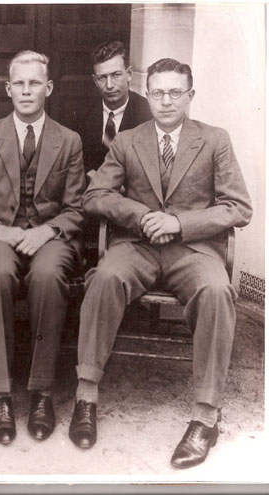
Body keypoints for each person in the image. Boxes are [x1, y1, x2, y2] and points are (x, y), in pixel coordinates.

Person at [69, 58, 252, 469]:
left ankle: (205, 417)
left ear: (190, 95)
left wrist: (180, 223)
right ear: (147, 95)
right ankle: (86, 395)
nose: (166, 101)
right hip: (139, 244)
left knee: (217, 291)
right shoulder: (127, 140)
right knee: (103, 278)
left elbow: (238, 207)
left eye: (175, 92)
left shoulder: (215, 140)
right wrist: (142, 216)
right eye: (157, 92)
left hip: (193, 249)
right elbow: (95, 196)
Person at [0, 51, 86, 445]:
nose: (27, 90)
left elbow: (76, 208)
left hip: (49, 236)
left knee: (48, 275)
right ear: (8, 89)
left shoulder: (69, 140)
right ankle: (0, 394)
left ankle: (41, 392)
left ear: (48, 88)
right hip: (0, 235)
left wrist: (47, 230)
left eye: (35, 83)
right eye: (19, 83)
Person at [76, 40, 151, 178]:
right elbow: (76, 159)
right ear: (94, 80)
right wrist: (92, 176)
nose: (109, 85)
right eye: (102, 78)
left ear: (129, 74)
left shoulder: (148, 113)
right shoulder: (81, 113)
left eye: (116, 75)